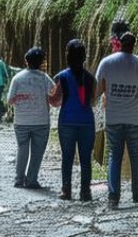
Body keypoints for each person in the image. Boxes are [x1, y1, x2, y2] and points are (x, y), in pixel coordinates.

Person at [96, 31, 138, 208]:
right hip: (137, 119)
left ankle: (114, 196)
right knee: (136, 155)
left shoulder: (106, 63)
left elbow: (97, 90)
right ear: (134, 45)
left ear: (120, 44)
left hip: (114, 118)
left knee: (114, 155)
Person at [49, 38, 98, 201]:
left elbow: (55, 100)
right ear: (84, 57)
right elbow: (93, 100)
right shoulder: (90, 78)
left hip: (67, 122)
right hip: (86, 122)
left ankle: (66, 190)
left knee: (67, 157)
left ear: (68, 56)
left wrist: (45, 97)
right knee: (86, 159)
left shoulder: (62, 77)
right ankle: (85, 192)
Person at [7, 46, 54, 189]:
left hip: (21, 121)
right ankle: (32, 180)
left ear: (26, 61)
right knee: (37, 151)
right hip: (41, 121)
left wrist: (22, 98)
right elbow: (54, 94)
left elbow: (9, 100)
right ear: (41, 62)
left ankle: (19, 179)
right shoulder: (44, 78)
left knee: (22, 148)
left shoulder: (17, 78)